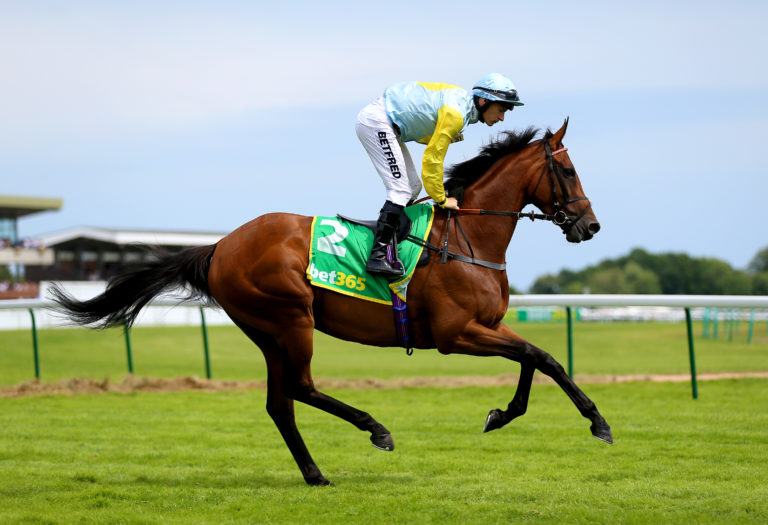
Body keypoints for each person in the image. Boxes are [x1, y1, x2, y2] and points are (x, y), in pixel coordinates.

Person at [356, 73, 524, 278]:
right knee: (400, 189)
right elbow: (432, 159)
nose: (502, 117)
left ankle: (390, 238)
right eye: (501, 109)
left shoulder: (462, 108)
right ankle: (377, 256)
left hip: (387, 123)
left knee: (412, 187)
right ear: (483, 101)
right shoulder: (457, 114)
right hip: (377, 122)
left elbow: (423, 126)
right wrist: (442, 199)